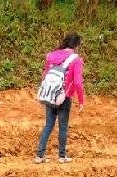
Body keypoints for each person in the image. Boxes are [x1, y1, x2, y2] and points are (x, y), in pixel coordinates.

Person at [35, 32, 85, 164]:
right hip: (65, 96)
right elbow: (78, 83)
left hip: (50, 94)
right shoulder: (76, 59)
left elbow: (45, 74)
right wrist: (81, 101)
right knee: (63, 127)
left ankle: (40, 155)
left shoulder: (51, 56)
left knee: (48, 125)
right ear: (76, 45)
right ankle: (62, 157)